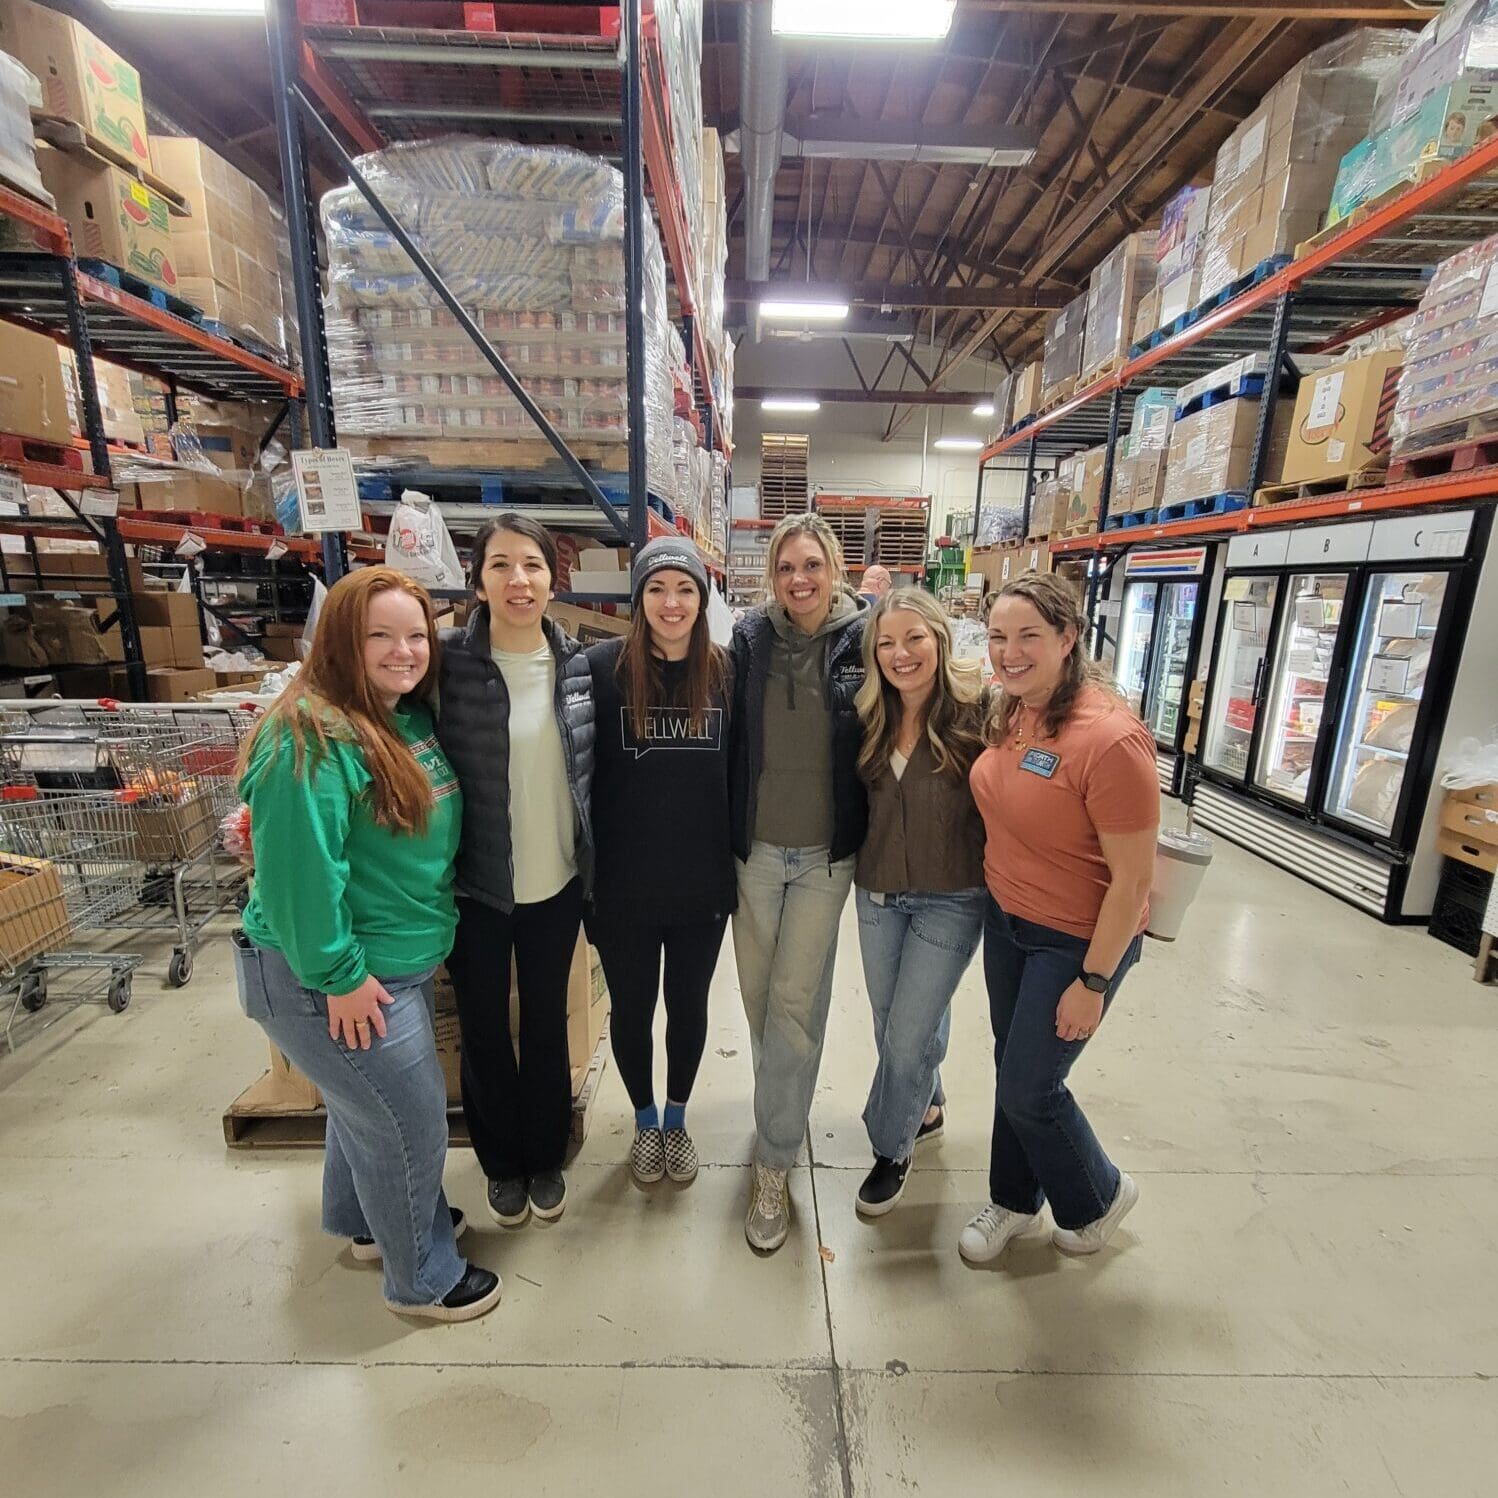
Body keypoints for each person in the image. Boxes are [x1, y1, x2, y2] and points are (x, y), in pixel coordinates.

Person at [232, 567, 499, 1323]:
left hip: (387, 968)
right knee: (404, 1123)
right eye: (379, 635)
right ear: (341, 641)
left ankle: (366, 1226)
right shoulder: (309, 737)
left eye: (416, 635)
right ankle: (423, 1279)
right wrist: (339, 976)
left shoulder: (399, 718)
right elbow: (301, 880)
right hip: (337, 979)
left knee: (364, 1112)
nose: (403, 651)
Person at [961, 572, 1160, 1264]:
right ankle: (1014, 1201)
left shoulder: (1108, 740)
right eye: (997, 637)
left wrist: (1095, 981)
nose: (1009, 653)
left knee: (1030, 1086)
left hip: (1075, 941)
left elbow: (1134, 879)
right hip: (1008, 923)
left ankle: (1099, 1196)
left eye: (1028, 638)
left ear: (1068, 638)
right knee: (1010, 1068)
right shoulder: (1012, 710)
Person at [437, 514, 595, 1230]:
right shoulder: (446, 666)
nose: (518, 580)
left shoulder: (580, 666)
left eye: (530, 564)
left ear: (551, 576)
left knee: (544, 1025)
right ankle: (501, 1164)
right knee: (483, 1029)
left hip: (555, 881)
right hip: (475, 886)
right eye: (500, 565)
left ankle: (545, 1154)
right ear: (478, 580)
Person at [729, 512, 868, 1252]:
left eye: (812, 565)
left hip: (822, 857)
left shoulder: (865, 639)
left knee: (791, 1003)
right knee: (760, 1003)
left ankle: (774, 1160)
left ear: (834, 568)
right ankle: (781, 1105)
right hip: (753, 852)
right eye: (787, 568)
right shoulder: (749, 639)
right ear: (772, 576)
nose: (800, 580)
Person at [586, 537, 734, 1185]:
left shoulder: (728, 675)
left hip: (702, 884)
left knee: (689, 1005)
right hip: (622, 886)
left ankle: (676, 1121)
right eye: (657, 589)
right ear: (639, 598)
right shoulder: (598, 670)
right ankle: (644, 1122)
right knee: (631, 1007)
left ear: (702, 600)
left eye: (685, 590)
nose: (671, 603)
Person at [851, 587, 988, 1217]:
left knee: (905, 1036)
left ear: (939, 638)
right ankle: (927, 1105)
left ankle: (891, 1146)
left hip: (951, 896)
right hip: (878, 890)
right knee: (891, 1020)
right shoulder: (869, 713)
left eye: (914, 639)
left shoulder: (979, 711)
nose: (900, 654)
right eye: (886, 642)